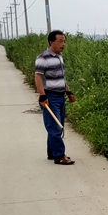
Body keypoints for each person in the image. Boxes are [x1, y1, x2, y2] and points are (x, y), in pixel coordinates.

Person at [35, 30, 76, 165]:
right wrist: (42, 96)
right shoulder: (43, 58)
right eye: (60, 41)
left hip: (60, 96)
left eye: (64, 41)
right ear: (51, 42)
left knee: (57, 125)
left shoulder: (59, 57)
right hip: (50, 97)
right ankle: (60, 156)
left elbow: (61, 78)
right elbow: (38, 77)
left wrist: (68, 92)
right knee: (55, 127)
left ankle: (52, 153)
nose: (63, 44)